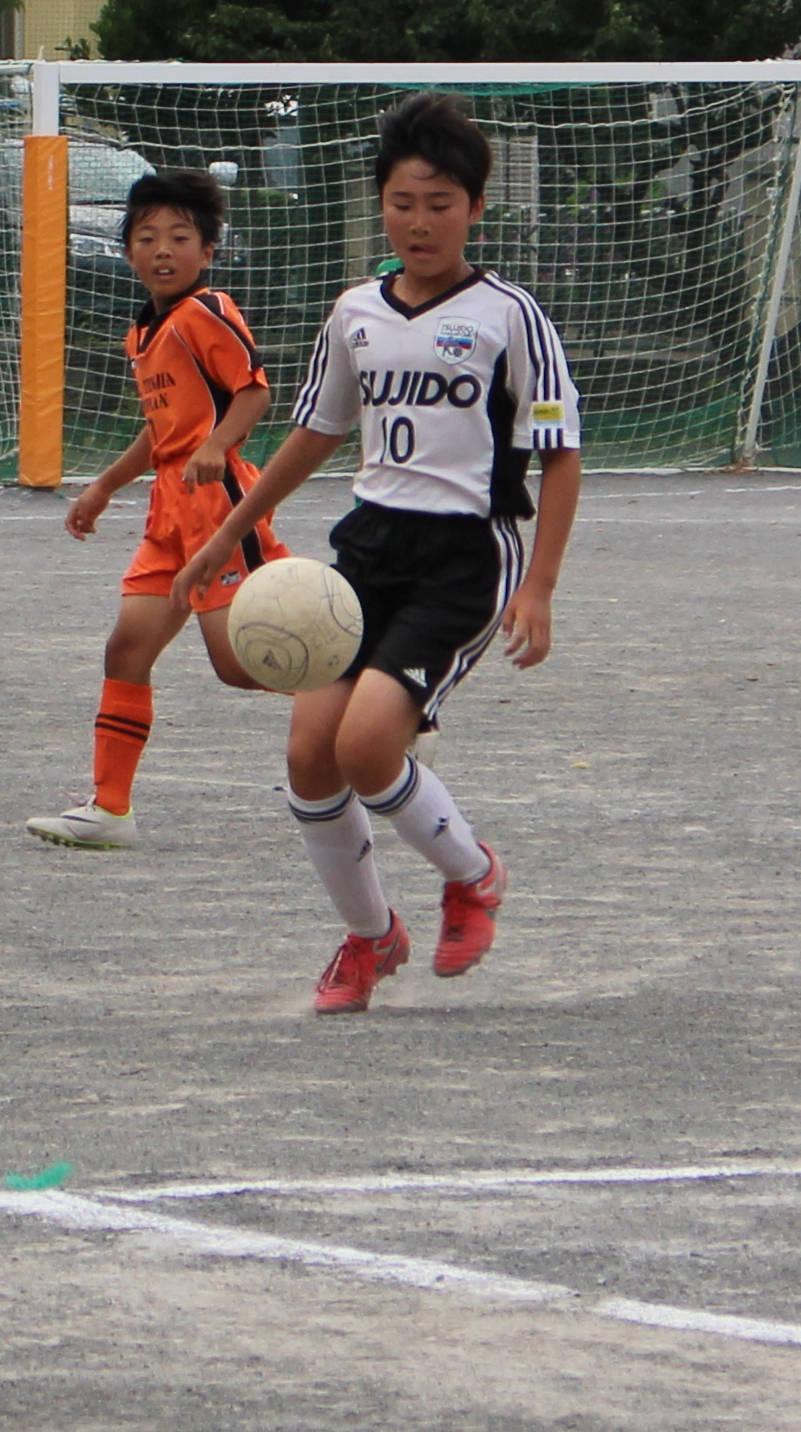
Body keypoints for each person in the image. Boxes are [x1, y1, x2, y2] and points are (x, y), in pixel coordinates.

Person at [168, 95, 577, 1015]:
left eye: (439, 201)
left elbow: (561, 453)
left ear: (475, 206)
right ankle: (369, 936)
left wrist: (541, 586)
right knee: (311, 754)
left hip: (466, 558)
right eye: (401, 201)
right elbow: (313, 434)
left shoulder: (511, 317)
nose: (419, 221)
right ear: (380, 207)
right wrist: (225, 538)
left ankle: (472, 877)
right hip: (366, 549)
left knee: (365, 745)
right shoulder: (356, 311)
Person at [30, 169, 279, 849]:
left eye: (179, 236)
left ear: (208, 250)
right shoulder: (145, 333)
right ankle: (110, 809)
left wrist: (217, 446)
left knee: (241, 663)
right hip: (168, 511)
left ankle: (384, 702)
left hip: (220, 503)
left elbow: (253, 393)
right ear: (129, 251)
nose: (163, 249)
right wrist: (105, 484)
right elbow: (160, 430)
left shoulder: (208, 312)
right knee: (127, 648)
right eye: (147, 237)